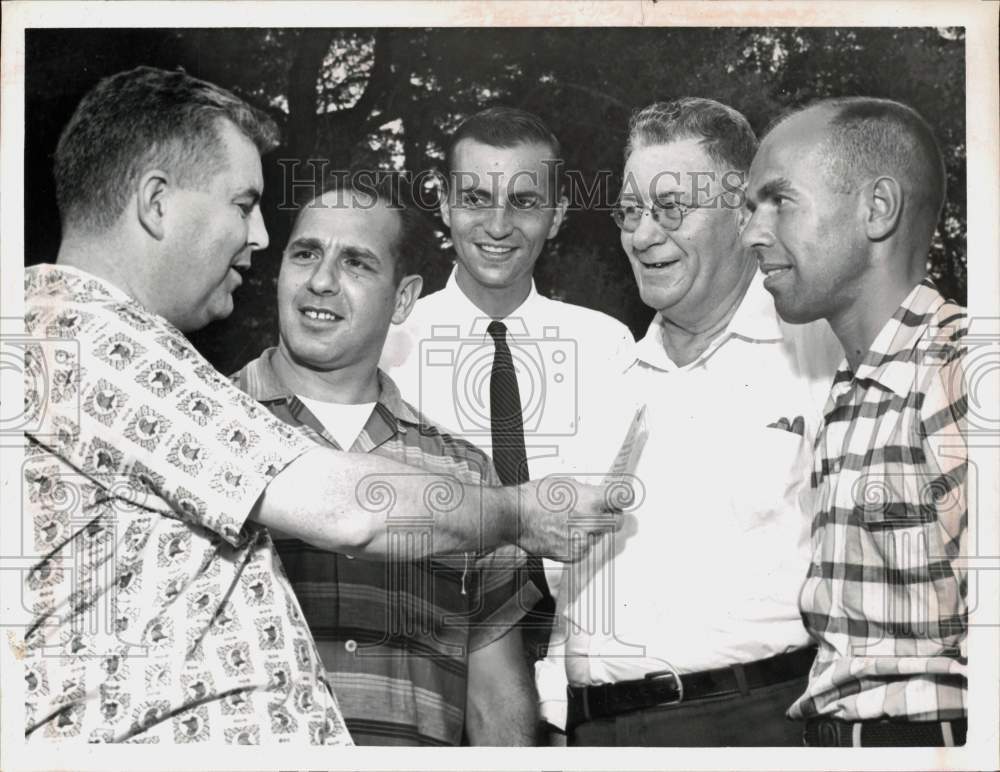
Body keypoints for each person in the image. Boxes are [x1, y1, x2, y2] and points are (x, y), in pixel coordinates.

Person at [21, 66, 621, 746]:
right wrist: (518, 511)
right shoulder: (84, 338)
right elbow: (350, 508)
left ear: (401, 295)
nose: (258, 239)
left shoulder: (75, 340)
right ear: (156, 203)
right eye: (243, 205)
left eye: (358, 263)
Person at [550, 97, 843, 746]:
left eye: (671, 209)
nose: (644, 235)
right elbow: (563, 602)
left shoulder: (825, 363)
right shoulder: (604, 384)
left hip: (757, 723)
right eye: (630, 212)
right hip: (593, 733)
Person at [230, 176, 542, 745]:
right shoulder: (207, 426)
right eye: (305, 254)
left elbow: (496, 697)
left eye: (356, 263)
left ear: (403, 299)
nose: (320, 282)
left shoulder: (467, 475)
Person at [743, 97, 968, 747]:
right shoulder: (852, 390)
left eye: (779, 200)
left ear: (877, 210)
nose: (753, 233)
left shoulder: (960, 369)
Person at [381, 107, 635, 679]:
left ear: (557, 213)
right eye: (474, 198)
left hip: (576, 665)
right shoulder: (388, 347)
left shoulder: (605, 345)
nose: (498, 225)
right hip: (430, 664)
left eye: (523, 202)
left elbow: (610, 524)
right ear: (444, 204)